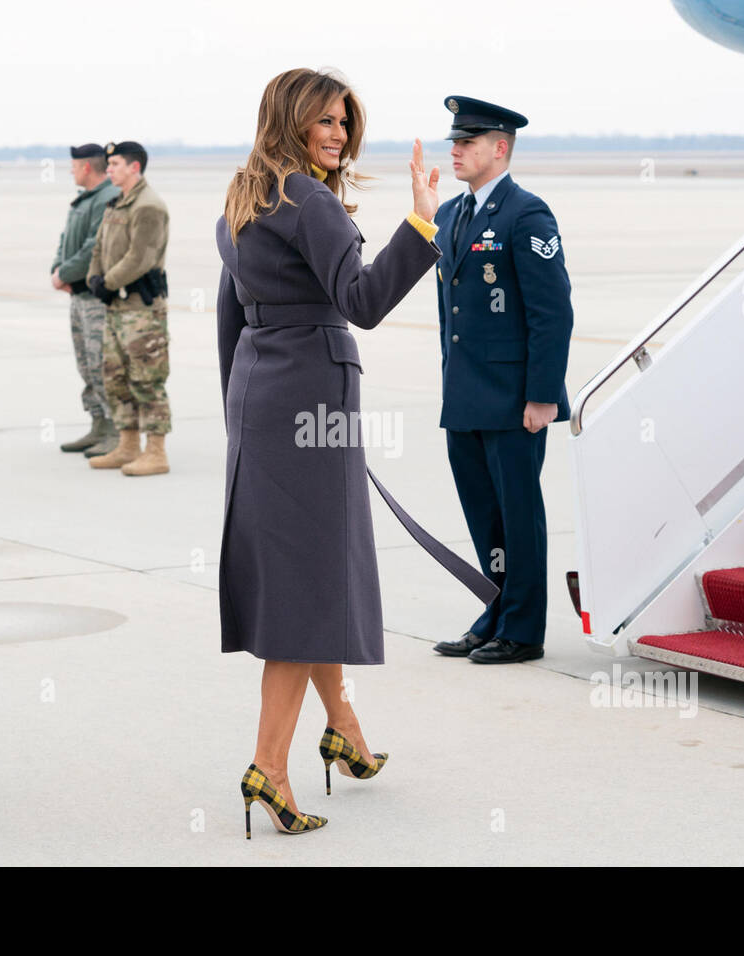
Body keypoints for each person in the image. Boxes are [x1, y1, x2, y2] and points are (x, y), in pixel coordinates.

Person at [215, 69, 497, 838]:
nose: (337, 134)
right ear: (291, 120)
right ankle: (269, 768)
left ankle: (344, 728)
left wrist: (240, 415)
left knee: (315, 573)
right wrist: (423, 224)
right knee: (309, 586)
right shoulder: (309, 201)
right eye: (324, 121)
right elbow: (364, 303)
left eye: (344, 122)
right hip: (314, 398)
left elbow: (227, 316)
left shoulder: (245, 194)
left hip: (262, 398)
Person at [430, 96, 573, 665]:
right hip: (464, 395)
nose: (456, 150)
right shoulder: (448, 214)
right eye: (455, 141)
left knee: (518, 514)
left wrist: (543, 395)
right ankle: (494, 610)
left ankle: (523, 629)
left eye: (468, 141)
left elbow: (551, 311)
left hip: (515, 401)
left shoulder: (526, 214)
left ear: (500, 147)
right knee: (482, 515)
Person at [86, 141, 172, 476]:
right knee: (116, 378)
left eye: (116, 163)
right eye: (109, 164)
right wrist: (96, 279)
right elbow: (98, 247)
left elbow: (141, 257)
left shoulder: (149, 206)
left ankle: (156, 451)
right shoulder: (116, 203)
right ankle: (127, 444)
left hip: (141, 310)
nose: (109, 169)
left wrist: (105, 283)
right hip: (117, 307)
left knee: (147, 380)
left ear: (134, 167)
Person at [51, 143, 121, 458]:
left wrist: (64, 272)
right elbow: (66, 241)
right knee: (86, 365)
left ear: (86, 168)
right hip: (78, 295)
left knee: (101, 364)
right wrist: (58, 270)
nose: (70, 171)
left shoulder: (106, 198)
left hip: (95, 297)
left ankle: (116, 432)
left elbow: (94, 246)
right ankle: (98, 425)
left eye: (74, 166)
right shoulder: (85, 200)